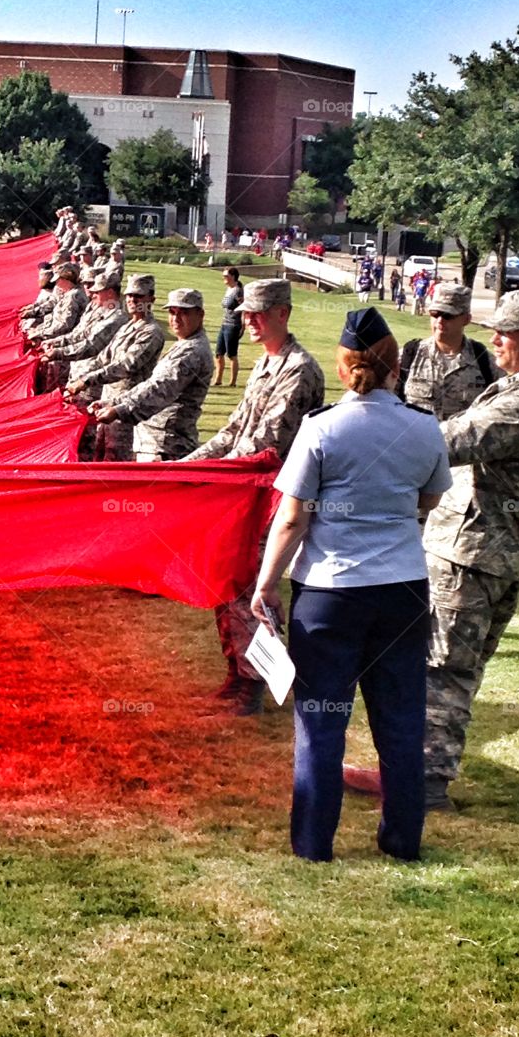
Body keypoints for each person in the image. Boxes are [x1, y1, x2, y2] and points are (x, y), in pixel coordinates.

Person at [345, 289, 519, 811]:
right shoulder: (516, 383)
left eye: (508, 332)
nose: (495, 339)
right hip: (471, 546)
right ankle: (404, 771)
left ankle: (423, 786)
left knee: (442, 670)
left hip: (477, 553)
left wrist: (366, 425)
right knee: (437, 664)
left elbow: (449, 439)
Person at [252, 308, 451, 862]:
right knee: (401, 720)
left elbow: (293, 518)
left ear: (343, 368)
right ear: (395, 365)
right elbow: (428, 501)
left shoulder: (322, 428)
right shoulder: (423, 425)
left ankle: (314, 843)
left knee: (321, 722)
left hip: (330, 594)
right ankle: (402, 839)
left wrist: (267, 584)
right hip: (402, 589)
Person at [185, 278, 326, 716]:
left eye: (257, 313)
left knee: (254, 592)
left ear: (283, 313)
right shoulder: (266, 364)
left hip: (275, 499)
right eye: (245, 313)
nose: (248, 320)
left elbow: (267, 443)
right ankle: (237, 672)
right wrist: (190, 465)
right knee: (230, 583)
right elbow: (234, 428)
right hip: (244, 495)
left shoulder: (298, 369)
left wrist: (215, 472)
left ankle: (255, 684)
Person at [89, 288, 213, 461]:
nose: (176, 319)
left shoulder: (192, 352)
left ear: (200, 314)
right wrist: (113, 402)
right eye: (172, 312)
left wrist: (119, 410)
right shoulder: (184, 344)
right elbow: (151, 382)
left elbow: (160, 388)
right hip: (154, 442)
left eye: (184, 313)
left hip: (167, 444)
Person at [66, 274, 166, 461]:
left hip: (125, 409)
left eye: (139, 296)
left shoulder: (151, 332)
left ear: (151, 299)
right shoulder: (127, 327)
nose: (132, 300)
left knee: (115, 460)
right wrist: (78, 380)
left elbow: (126, 365)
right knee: (98, 455)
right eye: (129, 296)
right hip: (105, 404)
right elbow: (104, 358)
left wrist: (87, 380)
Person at [396, 282, 501, 421]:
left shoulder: (485, 362)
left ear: (466, 319)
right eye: (434, 314)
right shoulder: (408, 356)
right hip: (417, 441)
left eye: (448, 315)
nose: (439, 321)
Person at [212, 266, 244, 387]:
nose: (224, 278)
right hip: (224, 323)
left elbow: (244, 308)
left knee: (231, 354)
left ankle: (233, 382)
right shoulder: (229, 289)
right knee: (219, 353)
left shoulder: (238, 291)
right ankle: (218, 379)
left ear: (233, 277)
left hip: (233, 325)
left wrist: (243, 325)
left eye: (226, 276)